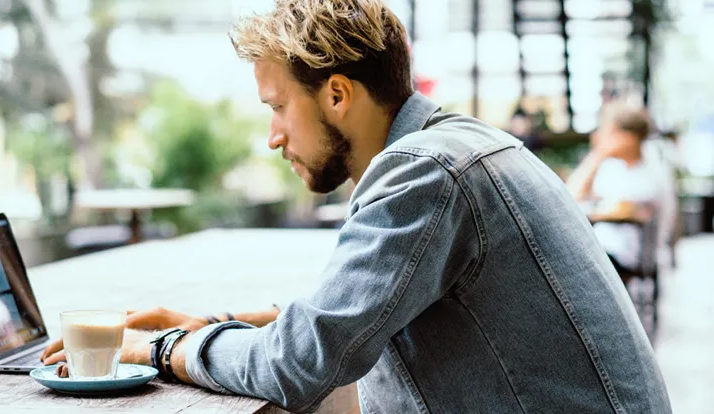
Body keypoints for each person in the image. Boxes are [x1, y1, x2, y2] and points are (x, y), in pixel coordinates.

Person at [41, 0, 670, 412]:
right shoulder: (463, 145)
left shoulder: (426, 171)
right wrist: (215, 323)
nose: (273, 137)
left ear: (337, 93)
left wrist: (159, 349)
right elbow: (357, 311)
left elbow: (301, 363)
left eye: (277, 107)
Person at [567, 105, 662, 280]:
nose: (602, 138)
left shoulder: (648, 175)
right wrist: (598, 156)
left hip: (621, 255)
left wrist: (599, 153)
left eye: (610, 133)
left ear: (627, 138)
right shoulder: (614, 168)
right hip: (603, 250)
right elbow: (571, 195)